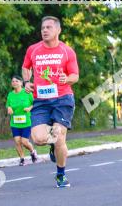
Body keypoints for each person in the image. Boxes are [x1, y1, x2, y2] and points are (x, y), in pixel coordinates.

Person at [22, 16, 80, 188]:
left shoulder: (67, 51)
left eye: (48, 27)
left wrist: (66, 78)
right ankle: (53, 146)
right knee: (38, 138)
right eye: (42, 28)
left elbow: (75, 76)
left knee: (59, 136)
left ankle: (61, 175)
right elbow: (26, 67)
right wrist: (27, 82)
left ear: (58, 30)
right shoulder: (33, 50)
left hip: (62, 99)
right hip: (41, 100)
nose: (44, 30)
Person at [6, 76, 38, 166]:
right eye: (13, 81)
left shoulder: (27, 93)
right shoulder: (10, 94)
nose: (14, 82)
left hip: (26, 122)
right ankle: (22, 159)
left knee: (24, 142)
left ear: (21, 83)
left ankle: (32, 152)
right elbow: (8, 105)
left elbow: (34, 103)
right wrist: (9, 108)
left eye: (16, 81)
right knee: (17, 141)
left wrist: (29, 108)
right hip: (15, 122)